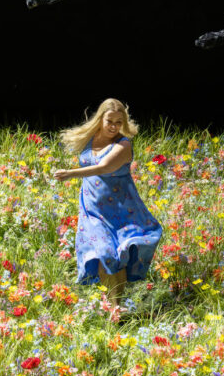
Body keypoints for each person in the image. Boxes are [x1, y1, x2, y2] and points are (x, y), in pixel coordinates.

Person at [53, 98, 163, 311]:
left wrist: (70, 174)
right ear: (100, 118)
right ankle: (113, 305)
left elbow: (104, 167)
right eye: (110, 121)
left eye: (118, 122)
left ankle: (115, 308)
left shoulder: (123, 145)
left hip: (121, 210)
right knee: (102, 253)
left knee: (116, 255)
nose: (113, 126)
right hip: (92, 208)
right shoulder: (90, 138)